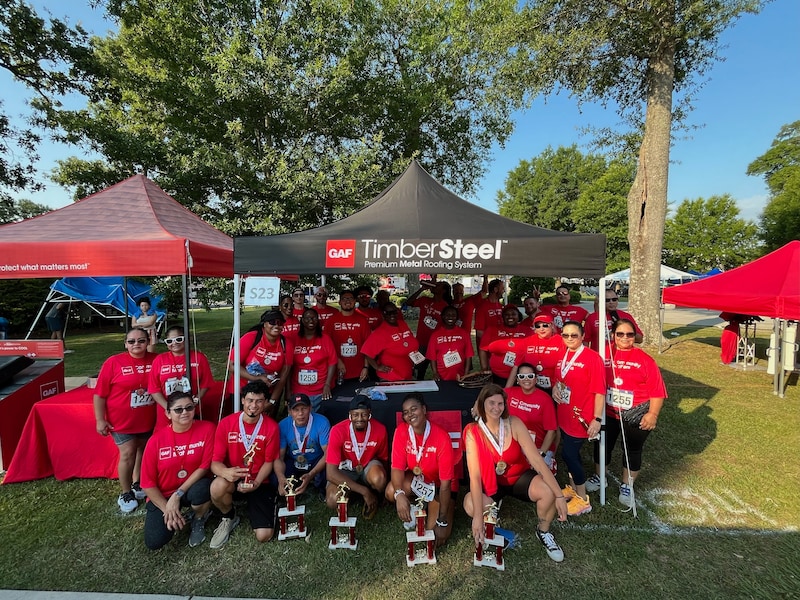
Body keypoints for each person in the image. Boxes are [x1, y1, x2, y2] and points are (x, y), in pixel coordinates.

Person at [463, 383, 567, 562]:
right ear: (482, 404)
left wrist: (559, 495)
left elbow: (536, 460)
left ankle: (543, 531)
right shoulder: (473, 432)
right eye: (491, 403)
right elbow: (474, 476)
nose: (496, 408)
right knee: (470, 505)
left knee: (548, 491)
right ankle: (490, 523)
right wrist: (478, 518)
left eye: (500, 404)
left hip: (518, 477)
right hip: (491, 483)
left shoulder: (514, 423)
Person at [585, 319, 667, 507]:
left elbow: (657, 391)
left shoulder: (645, 359)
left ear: (634, 337)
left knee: (632, 449)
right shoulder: (602, 353)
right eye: (620, 334)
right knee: (602, 446)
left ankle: (627, 485)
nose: (625, 338)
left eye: (629, 334)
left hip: (635, 412)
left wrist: (652, 414)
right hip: (607, 412)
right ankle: (600, 477)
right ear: (613, 335)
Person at [93, 327, 158, 513]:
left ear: (148, 342)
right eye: (131, 341)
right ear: (125, 343)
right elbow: (99, 394)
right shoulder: (114, 362)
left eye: (141, 340)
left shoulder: (156, 360)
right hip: (121, 420)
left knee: (142, 450)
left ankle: (138, 484)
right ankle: (125, 491)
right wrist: (100, 419)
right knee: (128, 453)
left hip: (148, 418)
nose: (136, 344)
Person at [209, 381, 281, 549]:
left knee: (264, 536)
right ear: (242, 400)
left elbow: (269, 462)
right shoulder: (226, 423)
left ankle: (266, 504)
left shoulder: (272, 427)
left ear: (265, 403)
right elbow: (215, 463)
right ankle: (229, 517)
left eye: (259, 401)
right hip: (234, 477)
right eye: (249, 400)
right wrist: (226, 473)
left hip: (259, 481)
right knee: (217, 487)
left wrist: (255, 483)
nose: (253, 406)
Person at [140, 390, 216, 550]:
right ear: (168, 413)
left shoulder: (208, 429)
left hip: (189, 488)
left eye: (189, 408)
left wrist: (178, 494)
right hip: (164, 494)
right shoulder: (155, 441)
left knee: (203, 489)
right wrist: (167, 508)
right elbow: (147, 484)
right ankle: (176, 514)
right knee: (154, 541)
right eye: (178, 409)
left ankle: (199, 517)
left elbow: (204, 466)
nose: (185, 412)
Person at [386, 393, 454, 546]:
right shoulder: (401, 431)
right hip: (418, 481)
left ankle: (433, 509)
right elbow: (396, 467)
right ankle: (417, 505)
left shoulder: (441, 437)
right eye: (406, 412)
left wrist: (442, 521)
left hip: (438, 488)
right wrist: (400, 494)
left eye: (414, 409)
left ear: (424, 410)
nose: (410, 414)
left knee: (433, 535)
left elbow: (446, 485)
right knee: (391, 491)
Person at [552, 321, 605, 517]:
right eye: (565, 335)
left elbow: (599, 391)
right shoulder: (563, 355)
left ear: (583, 336)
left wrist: (597, 419)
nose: (569, 339)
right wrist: (555, 387)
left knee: (569, 455)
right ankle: (574, 488)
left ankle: (583, 500)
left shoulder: (593, 358)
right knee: (571, 454)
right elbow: (558, 378)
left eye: (574, 335)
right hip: (565, 414)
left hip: (582, 417)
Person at [325, 394, 388, 519]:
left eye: (364, 414)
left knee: (379, 479)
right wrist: (364, 491)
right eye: (355, 415)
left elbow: (384, 460)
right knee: (332, 500)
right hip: (345, 469)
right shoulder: (337, 430)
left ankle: (374, 496)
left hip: (367, 467)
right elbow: (330, 473)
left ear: (370, 413)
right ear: (350, 415)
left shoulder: (380, 429)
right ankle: (357, 494)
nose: (359, 418)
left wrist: (381, 489)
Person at [148, 325, 213, 430]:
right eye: (169, 341)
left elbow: (206, 383)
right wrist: (169, 408)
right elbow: (154, 388)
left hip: (189, 409)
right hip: (166, 410)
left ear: (186, 339)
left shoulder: (199, 357)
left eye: (178, 339)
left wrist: (195, 400)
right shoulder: (159, 359)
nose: (174, 343)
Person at [227, 309, 292, 409]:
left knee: (265, 422)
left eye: (280, 323)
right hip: (242, 390)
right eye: (272, 322)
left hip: (267, 392)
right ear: (264, 324)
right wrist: (257, 378)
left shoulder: (286, 344)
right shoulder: (251, 337)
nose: (276, 325)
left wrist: (272, 401)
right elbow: (232, 365)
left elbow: (284, 376)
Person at [274, 393, 331, 501]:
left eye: (304, 408)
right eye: (296, 410)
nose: (300, 413)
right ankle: (289, 487)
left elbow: (328, 453)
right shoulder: (282, 425)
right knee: (275, 478)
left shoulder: (322, 422)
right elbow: (279, 457)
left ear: (310, 408)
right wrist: (281, 478)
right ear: (289, 411)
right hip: (294, 460)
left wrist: (311, 474)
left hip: (316, 460)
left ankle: (320, 487)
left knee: (328, 470)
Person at [505, 363, 558, 474]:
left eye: (530, 376)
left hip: (538, 447)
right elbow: (488, 394)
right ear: (517, 380)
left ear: (536, 379)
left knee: (540, 478)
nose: (526, 379)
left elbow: (552, 432)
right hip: (516, 446)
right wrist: (477, 403)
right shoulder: (509, 393)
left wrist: (541, 453)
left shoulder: (545, 399)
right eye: (522, 376)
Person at [289, 308, 338, 411]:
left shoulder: (325, 339)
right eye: (307, 318)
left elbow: (332, 362)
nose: (311, 320)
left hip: (321, 391)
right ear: (302, 320)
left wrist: (327, 385)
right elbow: (288, 366)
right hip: (299, 390)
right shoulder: (293, 339)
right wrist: (288, 390)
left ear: (318, 319)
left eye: (314, 318)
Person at [361, 302, 422, 381]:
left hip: (407, 373)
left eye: (394, 312)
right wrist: (377, 367)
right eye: (388, 313)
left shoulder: (402, 324)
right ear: (383, 315)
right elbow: (367, 352)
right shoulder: (380, 332)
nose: (392, 315)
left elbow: (409, 342)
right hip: (391, 377)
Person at [405, 279, 452, 379]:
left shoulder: (445, 306)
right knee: (418, 369)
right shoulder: (424, 300)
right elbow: (408, 302)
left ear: (443, 291)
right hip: (421, 342)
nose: (434, 286)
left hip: (437, 344)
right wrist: (422, 289)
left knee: (440, 370)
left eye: (438, 285)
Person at [323, 289, 371, 384]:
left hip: (359, 372)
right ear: (340, 302)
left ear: (354, 301)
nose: (347, 301)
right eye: (344, 299)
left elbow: (368, 346)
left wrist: (366, 367)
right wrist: (338, 360)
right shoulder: (331, 321)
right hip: (338, 372)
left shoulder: (363, 321)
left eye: (350, 298)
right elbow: (326, 345)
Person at [506, 313, 564, 392]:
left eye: (545, 325)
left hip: (554, 387)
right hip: (531, 386)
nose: (541, 329)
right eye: (538, 326)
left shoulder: (561, 341)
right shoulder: (526, 342)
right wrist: (506, 390)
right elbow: (516, 366)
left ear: (552, 325)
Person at [479, 304, 528, 385]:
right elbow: (482, 349)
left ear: (518, 316)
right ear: (502, 317)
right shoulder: (492, 330)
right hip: (497, 375)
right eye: (507, 315)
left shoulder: (527, 331)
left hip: (521, 375)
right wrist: (484, 368)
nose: (510, 317)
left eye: (513, 314)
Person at [425, 305, 473, 381]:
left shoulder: (464, 333)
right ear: (443, 316)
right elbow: (432, 357)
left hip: (460, 376)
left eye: (454, 315)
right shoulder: (435, 335)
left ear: (457, 317)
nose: (450, 317)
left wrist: (466, 374)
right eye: (448, 315)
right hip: (441, 377)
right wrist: (435, 373)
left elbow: (468, 355)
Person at [474, 278, 505, 351]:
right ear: (495, 289)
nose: (504, 291)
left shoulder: (500, 306)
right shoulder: (482, 307)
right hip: (487, 348)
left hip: (500, 346)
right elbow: (479, 333)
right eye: (502, 288)